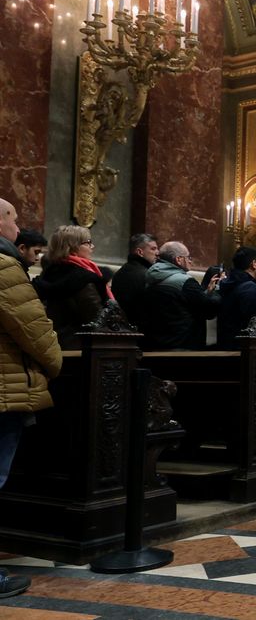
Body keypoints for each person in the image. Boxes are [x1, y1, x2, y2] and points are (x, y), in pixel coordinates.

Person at [0, 198, 62, 599]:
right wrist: (53, 364)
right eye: (13, 218)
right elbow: (34, 329)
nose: (19, 227)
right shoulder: (4, 266)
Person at [32, 225, 112, 349]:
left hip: (53, 343)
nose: (92, 247)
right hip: (82, 347)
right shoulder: (83, 280)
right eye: (88, 243)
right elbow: (98, 320)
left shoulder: (49, 273)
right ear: (72, 246)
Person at [142, 242, 221, 350]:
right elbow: (208, 310)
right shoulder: (186, 282)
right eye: (188, 257)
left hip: (155, 344)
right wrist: (217, 290)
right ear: (179, 259)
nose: (190, 260)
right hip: (183, 345)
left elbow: (181, 304)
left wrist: (207, 292)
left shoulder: (150, 278)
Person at [216, 246, 256, 348]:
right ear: (254, 264)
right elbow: (255, 322)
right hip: (243, 347)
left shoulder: (229, 283)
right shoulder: (250, 288)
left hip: (226, 343)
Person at [111, 233, 159, 329]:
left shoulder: (120, 272)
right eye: (153, 249)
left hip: (122, 328)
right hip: (142, 331)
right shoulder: (148, 275)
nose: (157, 253)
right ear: (140, 252)